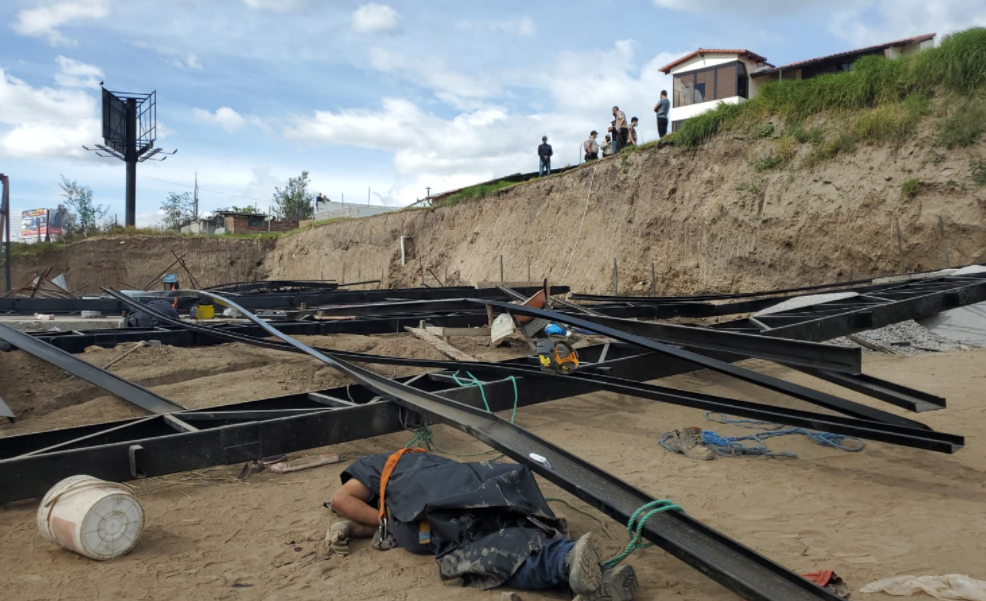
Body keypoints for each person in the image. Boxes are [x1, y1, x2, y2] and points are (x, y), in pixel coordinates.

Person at [327, 451, 638, 600]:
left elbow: (342, 499)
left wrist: (374, 524)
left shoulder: (375, 469)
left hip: (438, 510)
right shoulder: (414, 463)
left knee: (480, 552)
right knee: (505, 526)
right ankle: (593, 580)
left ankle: (564, 561)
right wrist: (354, 529)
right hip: (471, 487)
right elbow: (386, 522)